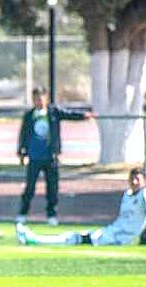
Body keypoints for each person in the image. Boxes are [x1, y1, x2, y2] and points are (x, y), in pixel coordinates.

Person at [16, 167, 146, 247]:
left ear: (144, 181)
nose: (134, 182)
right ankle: (34, 238)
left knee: (75, 238)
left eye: (137, 179)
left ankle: (34, 239)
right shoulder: (127, 194)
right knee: (77, 237)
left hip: (120, 238)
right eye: (132, 178)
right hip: (113, 231)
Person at [17, 87, 94, 226]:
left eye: (41, 98)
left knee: (52, 188)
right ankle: (22, 213)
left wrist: (83, 116)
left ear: (46, 99)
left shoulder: (53, 112)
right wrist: (21, 152)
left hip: (50, 157)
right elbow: (23, 134)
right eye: (36, 99)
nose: (39, 101)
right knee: (30, 188)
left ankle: (51, 215)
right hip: (34, 157)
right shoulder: (29, 115)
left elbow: (69, 114)